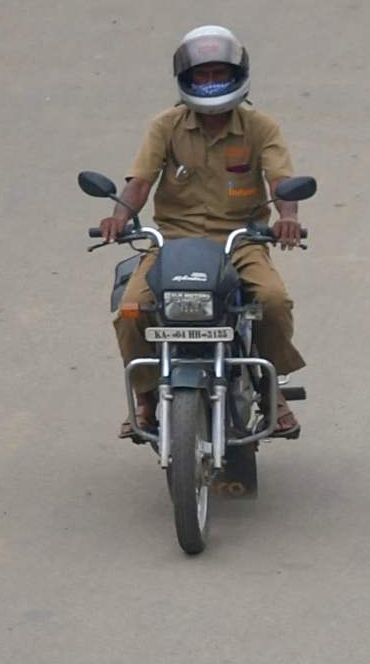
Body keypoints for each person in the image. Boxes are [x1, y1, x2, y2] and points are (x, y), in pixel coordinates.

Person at [95, 26, 308, 440]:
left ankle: (270, 388)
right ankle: (145, 398)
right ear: (186, 81)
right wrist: (119, 215)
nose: (210, 83)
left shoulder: (260, 127)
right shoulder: (166, 126)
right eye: (202, 76)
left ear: (237, 75)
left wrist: (288, 217)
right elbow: (140, 182)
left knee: (274, 301)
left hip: (241, 242)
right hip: (174, 242)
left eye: (218, 74)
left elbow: (282, 181)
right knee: (132, 309)